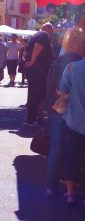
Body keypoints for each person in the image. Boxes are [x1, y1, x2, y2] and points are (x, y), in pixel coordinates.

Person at [45, 27, 85, 197]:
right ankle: (72, 187)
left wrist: (48, 106)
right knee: (73, 152)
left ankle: (51, 187)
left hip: (57, 109)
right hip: (73, 114)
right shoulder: (78, 63)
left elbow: (50, 87)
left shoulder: (58, 60)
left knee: (56, 150)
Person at [58, 38, 85, 206]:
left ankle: (70, 194)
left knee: (71, 157)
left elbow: (62, 89)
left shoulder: (72, 67)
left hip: (73, 120)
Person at [25, 22, 54, 125]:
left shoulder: (35, 35)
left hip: (36, 70)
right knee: (35, 94)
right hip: (37, 70)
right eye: (52, 31)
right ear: (49, 29)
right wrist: (32, 61)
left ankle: (36, 116)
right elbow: (38, 46)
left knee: (38, 93)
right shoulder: (43, 35)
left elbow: (27, 51)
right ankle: (31, 119)